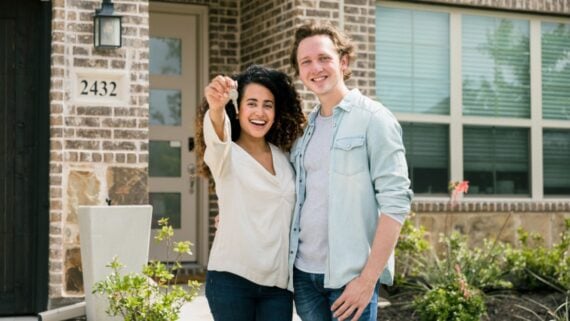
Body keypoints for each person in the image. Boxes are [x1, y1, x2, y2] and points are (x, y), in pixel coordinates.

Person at [287, 21, 414, 321]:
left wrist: (368, 280)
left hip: (351, 279)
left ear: (343, 62)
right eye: (306, 62)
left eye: (324, 58)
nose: (315, 68)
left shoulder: (374, 119)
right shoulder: (304, 130)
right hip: (304, 275)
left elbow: (396, 204)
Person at [195, 65, 306, 321]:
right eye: (252, 103)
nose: (260, 112)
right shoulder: (226, 155)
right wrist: (216, 106)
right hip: (232, 280)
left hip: (278, 286)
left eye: (268, 105)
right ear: (238, 108)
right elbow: (216, 135)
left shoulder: (284, 158)